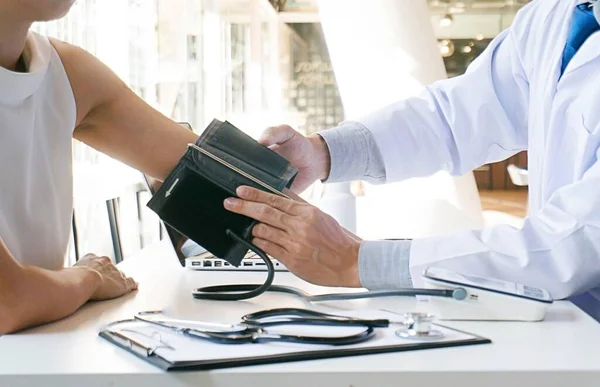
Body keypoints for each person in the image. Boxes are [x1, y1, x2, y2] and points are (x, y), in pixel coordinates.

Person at [223, 0, 600, 320]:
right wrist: (323, 153)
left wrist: (356, 260)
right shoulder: (554, 14)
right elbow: (455, 116)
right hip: (565, 315)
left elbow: (574, 242)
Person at [0, 1, 200, 334]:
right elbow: (7, 301)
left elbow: (225, 175)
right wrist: (88, 278)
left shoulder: (65, 71)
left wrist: (316, 152)